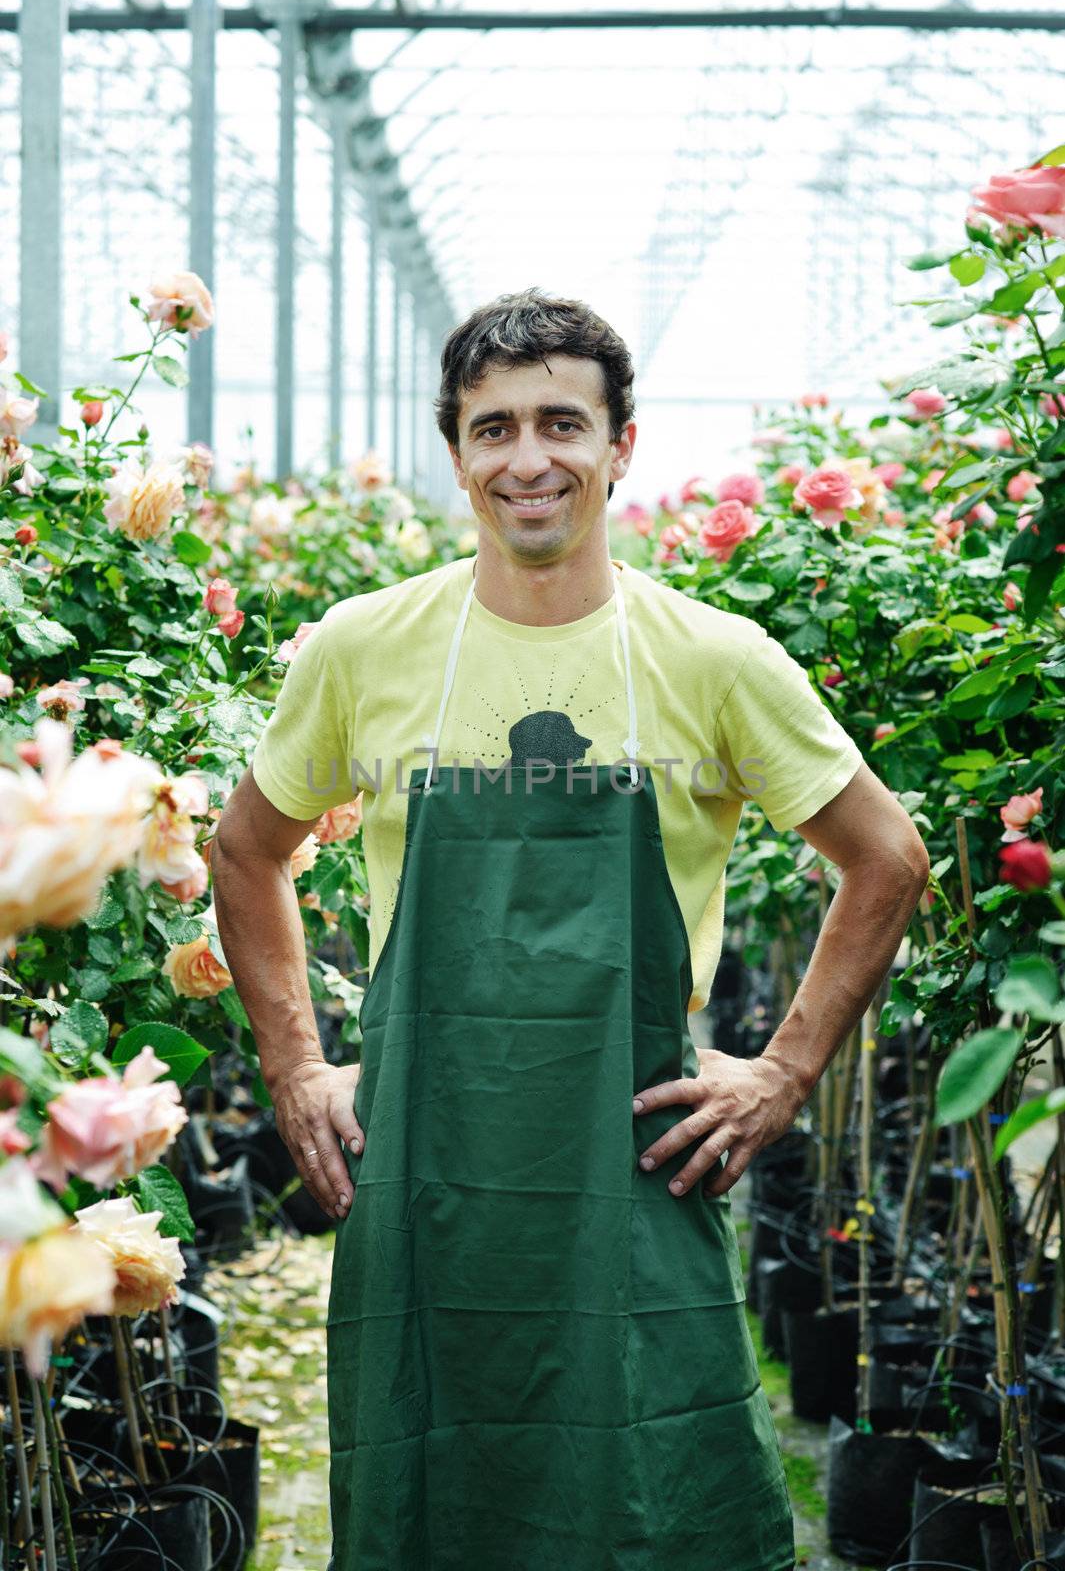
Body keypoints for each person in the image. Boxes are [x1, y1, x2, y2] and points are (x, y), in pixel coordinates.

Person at [211, 287, 930, 1571]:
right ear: (457, 454)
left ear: (622, 445)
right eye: (493, 430)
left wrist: (785, 1071)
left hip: (634, 1156)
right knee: (433, 1488)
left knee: (660, 1488)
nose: (527, 459)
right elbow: (247, 849)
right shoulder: (363, 647)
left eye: (560, 423)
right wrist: (298, 1064)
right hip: (429, 1166)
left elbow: (885, 859)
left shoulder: (714, 658)